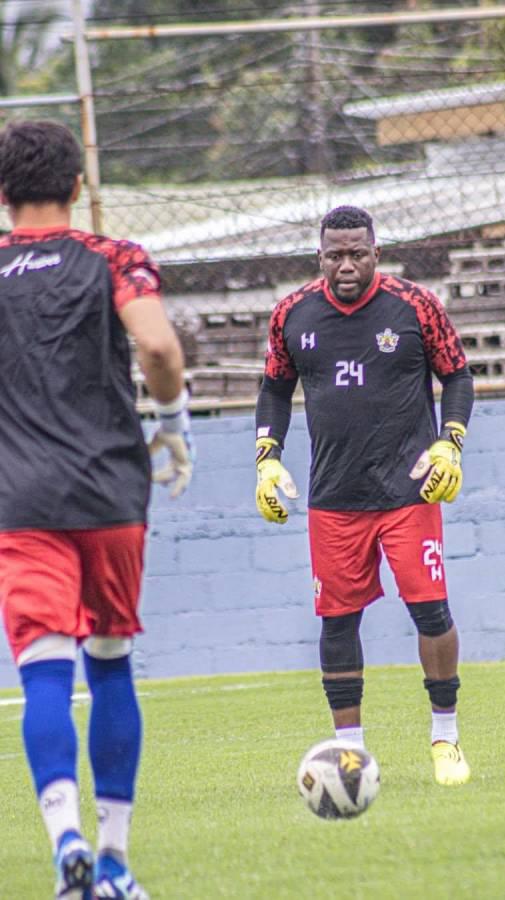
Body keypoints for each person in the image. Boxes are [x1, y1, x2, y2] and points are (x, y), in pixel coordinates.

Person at [0, 120, 193, 899]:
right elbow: (158, 350)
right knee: (110, 664)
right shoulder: (113, 257)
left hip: (20, 498)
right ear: (79, 188)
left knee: (43, 669)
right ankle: (114, 863)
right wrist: (172, 424)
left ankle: (65, 836)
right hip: (114, 492)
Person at [255, 205, 474, 786]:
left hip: (409, 491)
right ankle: (349, 754)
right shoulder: (291, 314)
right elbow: (275, 388)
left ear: (376, 252)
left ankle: (445, 737)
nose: (346, 264)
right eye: (335, 254)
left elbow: (458, 375)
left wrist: (450, 444)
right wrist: (267, 458)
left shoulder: (415, 306)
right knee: (337, 621)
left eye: (357, 253)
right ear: (319, 256)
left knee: (430, 611)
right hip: (334, 496)